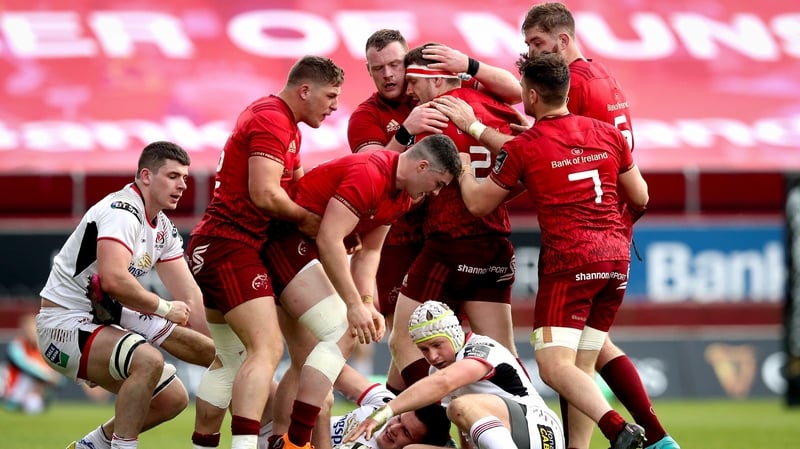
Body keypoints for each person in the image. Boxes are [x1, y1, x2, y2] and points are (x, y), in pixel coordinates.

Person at [433, 3, 677, 449]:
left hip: (573, 255)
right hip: (616, 252)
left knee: (553, 364)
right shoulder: (603, 99)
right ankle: (635, 441)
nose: (530, 48)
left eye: (535, 44)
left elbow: (487, 193)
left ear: (533, 94)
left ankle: (624, 431)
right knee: (585, 360)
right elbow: (640, 195)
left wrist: (465, 154)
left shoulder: (534, 139)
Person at [346, 29, 522, 395]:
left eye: (397, 66)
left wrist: (471, 65)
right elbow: (368, 173)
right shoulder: (367, 115)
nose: (392, 77)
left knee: (416, 339)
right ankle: (422, 417)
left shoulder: (445, 101)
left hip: (444, 238)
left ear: (414, 65)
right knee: (431, 338)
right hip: (401, 237)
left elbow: (516, 90)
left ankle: (429, 417)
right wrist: (408, 134)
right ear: (368, 71)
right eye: (379, 68)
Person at [261, 134, 462, 449]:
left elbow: (369, 252)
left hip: (305, 248)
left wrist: (367, 302)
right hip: (285, 241)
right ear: (422, 166)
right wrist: (353, 305)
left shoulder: (405, 196)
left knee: (305, 359)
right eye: (437, 183)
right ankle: (296, 441)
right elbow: (330, 238)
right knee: (342, 328)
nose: (435, 192)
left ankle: (276, 439)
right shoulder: (371, 173)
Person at [187, 55, 343, 449]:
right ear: (304, 90)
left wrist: (328, 217)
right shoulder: (273, 119)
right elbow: (266, 193)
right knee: (268, 348)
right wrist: (309, 221)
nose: (335, 105)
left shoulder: (282, 121)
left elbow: (297, 186)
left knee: (230, 359)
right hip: (229, 245)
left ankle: (204, 444)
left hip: (219, 244)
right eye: (331, 95)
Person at [36, 141, 206, 449]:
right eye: (172, 176)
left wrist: (228, 347)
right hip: (63, 324)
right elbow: (114, 279)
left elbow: (191, 295)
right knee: (148, 360)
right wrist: (165, 308)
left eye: (185, 177)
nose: (182, 185)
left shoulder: (163, 228)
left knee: (173, 399)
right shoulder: (122, 210)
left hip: (106, 319)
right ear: (145, 176)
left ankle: (90, 446)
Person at [344, 300, 564, 449]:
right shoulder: (436, 370)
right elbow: (466, 427)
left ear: (454, 335)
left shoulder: (480, 347)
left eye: (437, 345)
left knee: (458, 407)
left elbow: (445, 383)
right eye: (424, 350)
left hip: (541, 430)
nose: (432, 356)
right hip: (505, 439)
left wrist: (383, 413)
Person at [258, 375, 452, 449]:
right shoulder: (386, 407)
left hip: (295, 443)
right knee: (253, 373)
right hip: (280, 429)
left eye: (406, 432)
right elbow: (341, 372)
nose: (394, 427)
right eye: (399, 418)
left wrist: (321, 413)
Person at [1, 312, 62, 413]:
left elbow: (59, 378)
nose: (32, 332)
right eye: (29, 329)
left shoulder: (44, 349)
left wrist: (54, 377)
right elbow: (25, 366)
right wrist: (48, 376)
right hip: (13, 392)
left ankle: (35, 403)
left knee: (47, 377)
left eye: (34, 329)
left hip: (35, 393)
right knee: (36, 375)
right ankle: (15, 404)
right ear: (23, 330)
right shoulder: (16, 346)